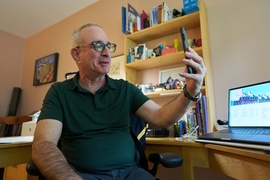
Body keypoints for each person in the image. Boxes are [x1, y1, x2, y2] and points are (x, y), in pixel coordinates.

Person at [32, 23, 206, 180]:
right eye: (98, 46)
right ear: (77, 55)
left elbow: (162, 118)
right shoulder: (59, 92)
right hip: (82, 175)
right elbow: (43, 144)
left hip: (130, 173)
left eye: (108, 46)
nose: (107, 52)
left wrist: (190, 90)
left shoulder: (125, 89)